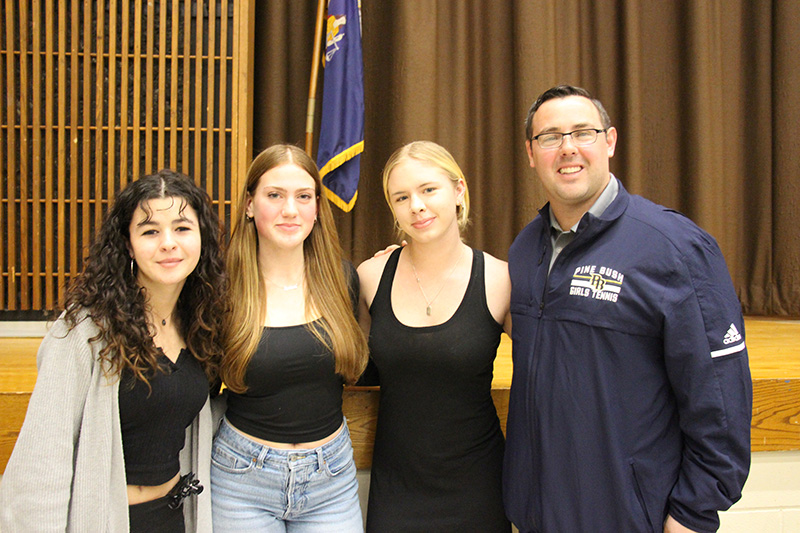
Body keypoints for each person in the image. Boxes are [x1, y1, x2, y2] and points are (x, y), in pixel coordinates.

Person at [503, 85, 752, 533]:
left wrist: (693, 514)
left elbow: (720, 401)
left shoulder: (675, 248)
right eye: (550, 137)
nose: (568, 148)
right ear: (530, 152)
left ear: (610, 141)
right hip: (536, 514)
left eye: (583, 132)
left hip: (631, 517)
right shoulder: (525, 250)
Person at [0, 170, 226, 532]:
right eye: (150, 231)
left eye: (182, 228)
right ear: (127, 243)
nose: (168, 243)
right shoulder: (85, 331)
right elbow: (42, 462)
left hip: (174, 516)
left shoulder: (202, 325)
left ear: (203, 237)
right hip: (107, 520)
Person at [210, 144, 369, 532]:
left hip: (330, 478)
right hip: (242, 479)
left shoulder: (343, 281)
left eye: (303, 196)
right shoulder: (220, 290)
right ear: (249, 204)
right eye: (274, 195)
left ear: (317, 206)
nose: (290, 210)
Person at [358, 141, 512, 532]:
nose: (417, 206)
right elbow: (348, 366)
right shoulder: (369, 277)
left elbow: (548, 373)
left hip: (479, 485)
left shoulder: (501, 279)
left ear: (459, 190)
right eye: (401, 197)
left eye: (429, 190)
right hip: (397, 487)